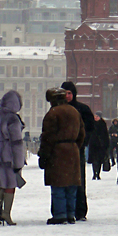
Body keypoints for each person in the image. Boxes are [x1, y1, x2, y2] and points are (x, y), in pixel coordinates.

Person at [39, 87, 85, 224]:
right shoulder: (74, 111)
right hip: (73, 150)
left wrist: (44, 155)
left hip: (58, 152)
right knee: (71, 185)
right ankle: (71, 214)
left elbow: (48, 137)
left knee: (58, 185)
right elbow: (82, 133)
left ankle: (60, 215)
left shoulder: (52, 114)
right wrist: (75, 146)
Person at [0, 90, 26, 225]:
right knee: (11, 184)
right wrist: (19, 162)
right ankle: (6, 213)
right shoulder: (13, 118)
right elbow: (16, 142)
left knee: (1, 183)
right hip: (9, 154)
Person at [61, 82, 95, 221]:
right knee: (62, 181)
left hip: (76, 150)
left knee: (78, 180)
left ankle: (80, 211)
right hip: (61, 151)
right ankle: (63, 210)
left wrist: (81, 143)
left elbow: (89, 128)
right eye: (65, 93)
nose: (68, 96)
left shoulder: (82, 109)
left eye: (70, 93)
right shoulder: (58, 109)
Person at [88, 111, 110, 180]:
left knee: (100, 160)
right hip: (93, 145)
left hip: (101, 146)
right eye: (95, 116)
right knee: (94, 161)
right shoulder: (91, 124)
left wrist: (106, 144)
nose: (95, 118)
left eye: (97, 116)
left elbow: (105, 135)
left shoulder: (103, 124)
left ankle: (98, 173)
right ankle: (94, 173)